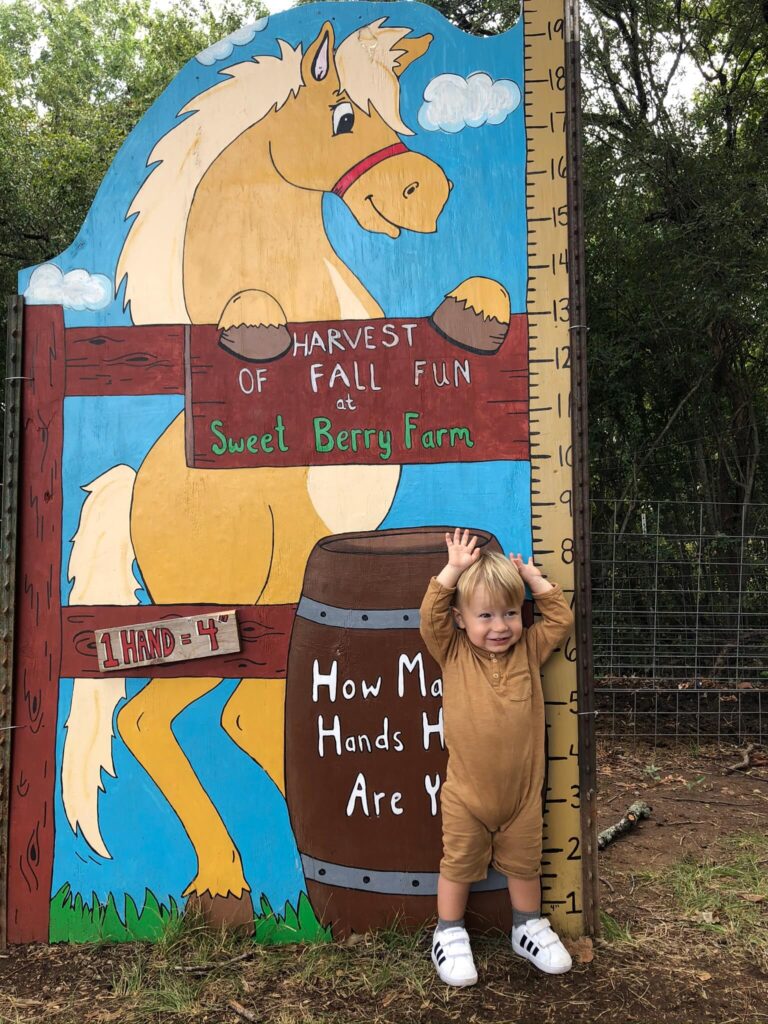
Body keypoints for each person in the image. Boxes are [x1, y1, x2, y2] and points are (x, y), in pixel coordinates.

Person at [419, 528, 575, 987]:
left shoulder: (528, 650)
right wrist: (453, 570)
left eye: (510, 612)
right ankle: (448, 933)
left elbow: (559, 619)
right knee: (458, 864)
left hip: (522, 796)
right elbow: (430, 617)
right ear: (461, 620)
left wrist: (533, 579)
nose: (500, 625)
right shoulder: (451, 652)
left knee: (525, 866)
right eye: (485, 615)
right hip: (467, 794)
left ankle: (527, 925)